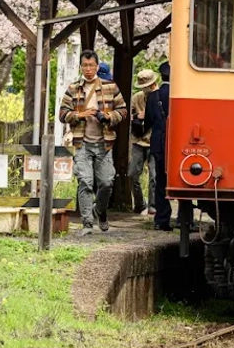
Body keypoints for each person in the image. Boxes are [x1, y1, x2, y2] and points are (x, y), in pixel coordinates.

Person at [60, 50, 126, 236]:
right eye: (85, 65)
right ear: (81, 67)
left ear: (97, 66)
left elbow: (123, 111)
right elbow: (62, 114)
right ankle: (87, 223)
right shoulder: (73, 88)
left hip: (104, 143)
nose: (88, 69)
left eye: (91, 65)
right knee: (85, 181)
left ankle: (100, 211)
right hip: (82, 143)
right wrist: (79, 115)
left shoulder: (110, 87)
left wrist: (108, 116)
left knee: (106, 182)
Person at [128, 68, 159, 215]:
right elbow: (128, 116)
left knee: (154, 175)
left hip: (154, 141)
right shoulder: (137, 97)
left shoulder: (160, 97)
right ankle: (139, 203)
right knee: (132, 174)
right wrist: (137, 116)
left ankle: (153, 205)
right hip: (138, 141)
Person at [149, 61, 172, 231]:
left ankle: (161, 219)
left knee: (160, 181)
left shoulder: (153, 96)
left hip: (158, 143)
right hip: (176, 142)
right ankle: (185, 219)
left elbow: (148, 121)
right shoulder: (179, 95)